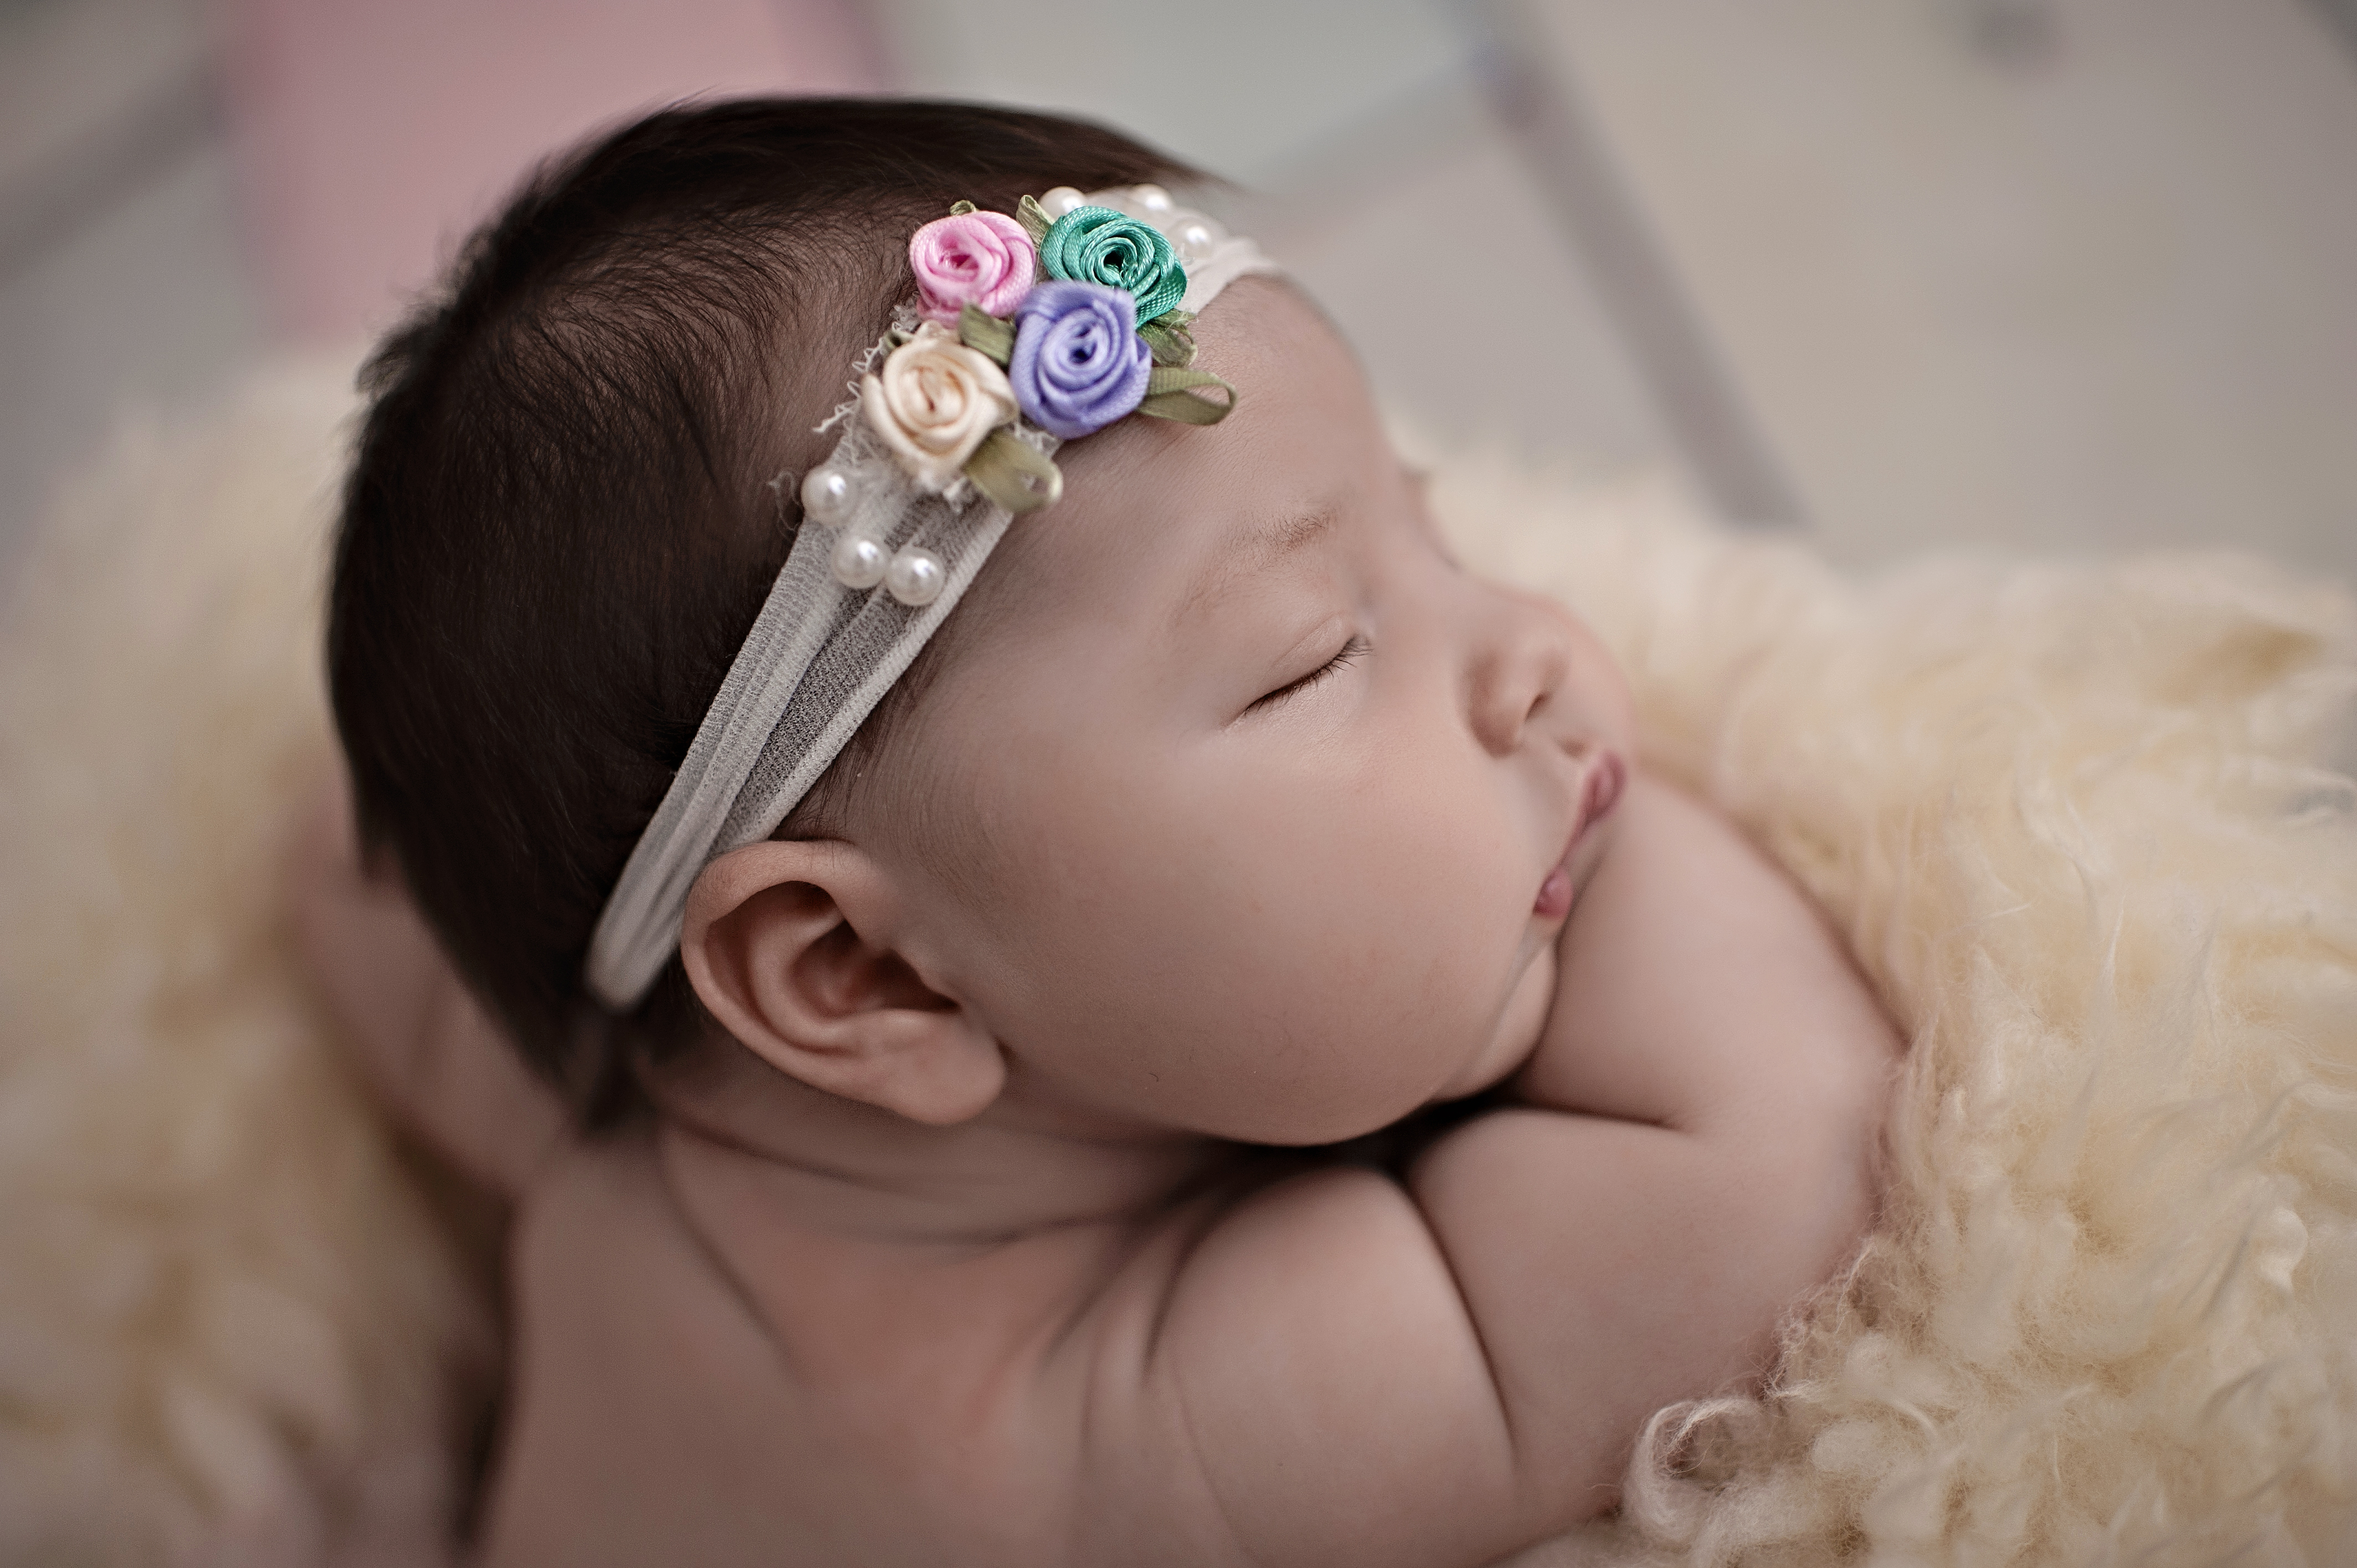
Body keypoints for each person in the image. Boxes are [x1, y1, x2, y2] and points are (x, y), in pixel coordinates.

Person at [298, 96, 1898, 1565]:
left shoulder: (588, 1115)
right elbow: (1760, 1160)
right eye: (1315, 657)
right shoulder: (1075, 1449)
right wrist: (1628, 814)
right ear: (860, 975)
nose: (1537, 648)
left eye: (1433, 527)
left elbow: (336, 880)